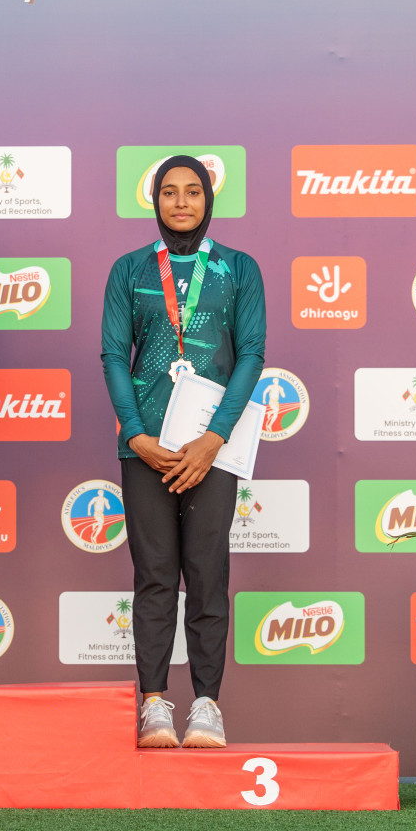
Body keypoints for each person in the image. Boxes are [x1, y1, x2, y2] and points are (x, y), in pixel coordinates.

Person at [101, 155, 266, 749]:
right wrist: (136, 433)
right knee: (153, 578)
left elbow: (251, 354)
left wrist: (213, 437)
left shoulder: (239, 269)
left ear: (207, 199)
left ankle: (205, 705)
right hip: (144, 445)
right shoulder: (129, 270)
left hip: (212, 447)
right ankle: (153, 705)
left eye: (192, 191)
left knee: (208, 575)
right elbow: (114, 355)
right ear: (155, 201)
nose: (180, 202)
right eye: (169, 192)